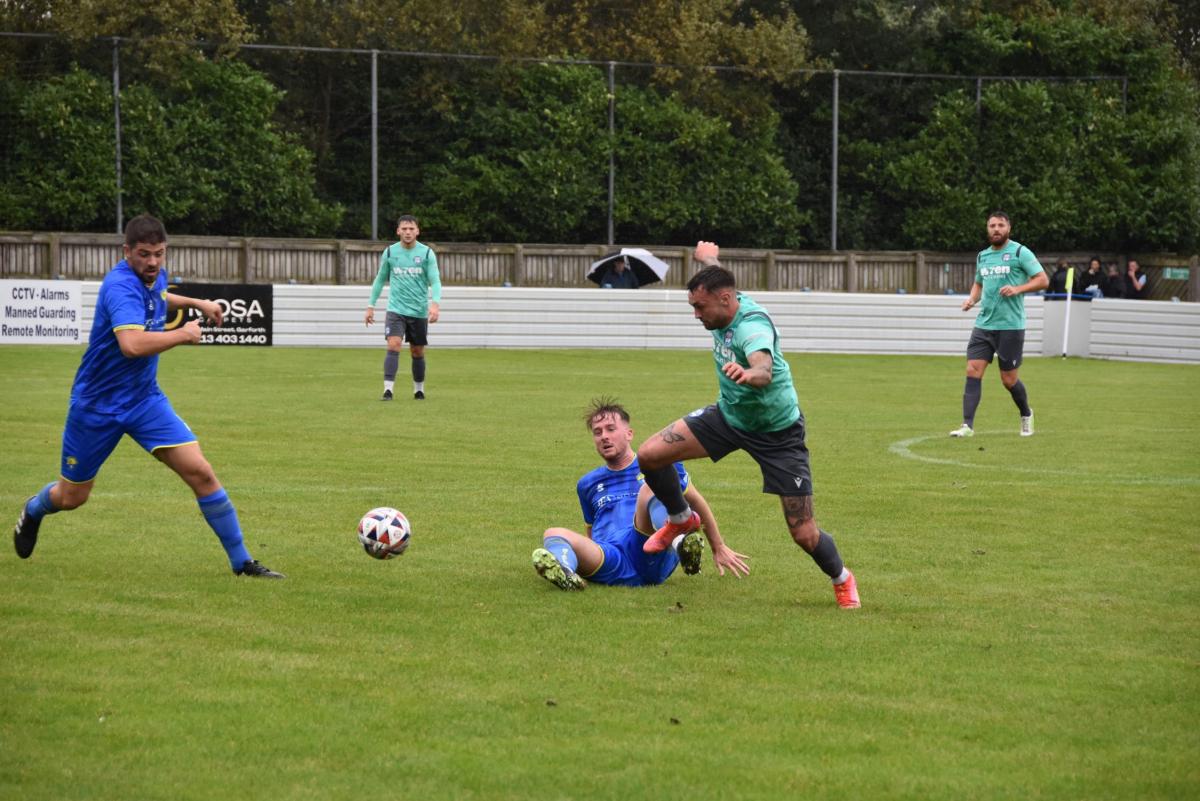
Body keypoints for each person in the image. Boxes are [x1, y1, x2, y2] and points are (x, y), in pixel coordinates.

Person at [12, 214, 283, 578]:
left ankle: (243, 563)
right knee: (72, 496)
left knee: (201, 472)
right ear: (127, 252)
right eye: (144, 254)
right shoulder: (120, 286)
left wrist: (199, 303)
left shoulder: (155, 276)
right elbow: (132, 344)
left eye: (158, 253)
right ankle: (34, 509)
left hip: (144, 401)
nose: (153, 262)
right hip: (97, 407)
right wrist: (184, 334)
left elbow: (160, 297)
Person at [631, 244, 861, 609]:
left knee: (803, 532)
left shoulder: (752, 327)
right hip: (730, 418)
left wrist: (748, 373)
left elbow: (764, 369)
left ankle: (842, 578)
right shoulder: (723, 296)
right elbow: (717, 275)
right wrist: (708, 258)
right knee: (650, 455)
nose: (696, 315)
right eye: (693, 306)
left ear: (725, 300)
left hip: (778, 436)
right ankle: (681, 519)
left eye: (699, 307)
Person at [532, 398, 749, 590]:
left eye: (610, 429)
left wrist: (718, 546)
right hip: (610, 556)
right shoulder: (587, 483)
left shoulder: (659, 464)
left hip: (649, 547)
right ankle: (566, 571)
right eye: (598, 432)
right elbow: (591, 530)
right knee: (553, 533)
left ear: (629, 434)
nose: (604, 436)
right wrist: (587, 554)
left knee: (650, 487)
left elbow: (695, 501)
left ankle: (680, 544)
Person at [950, 210, 1048, 439]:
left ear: (1008, 228)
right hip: (984, 325)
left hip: (1010, 326)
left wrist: (1018, 289)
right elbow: (978, 283)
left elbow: (1043, 280)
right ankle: (967, 426)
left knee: (1008, 380)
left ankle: (1026, 413)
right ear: (987, 229)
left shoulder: (1020, 252)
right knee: (972, 370)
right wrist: (971, 299)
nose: (996, 229)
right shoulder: (983, 256)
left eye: (1000, 225)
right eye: (992, 225)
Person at [365, 214, 442, 400]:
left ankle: (419, 389)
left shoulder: (426, 253)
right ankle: (388, 390)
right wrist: (370, 306)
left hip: (418, 311)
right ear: (398, 231)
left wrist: (435, 304)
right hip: (396, 310)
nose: (408, 232)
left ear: (417, 231)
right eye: (404, 229)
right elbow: (380, 279)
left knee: (417, 351)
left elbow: (435, 280)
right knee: (394, 344)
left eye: (411, 229)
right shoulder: (390, 252)